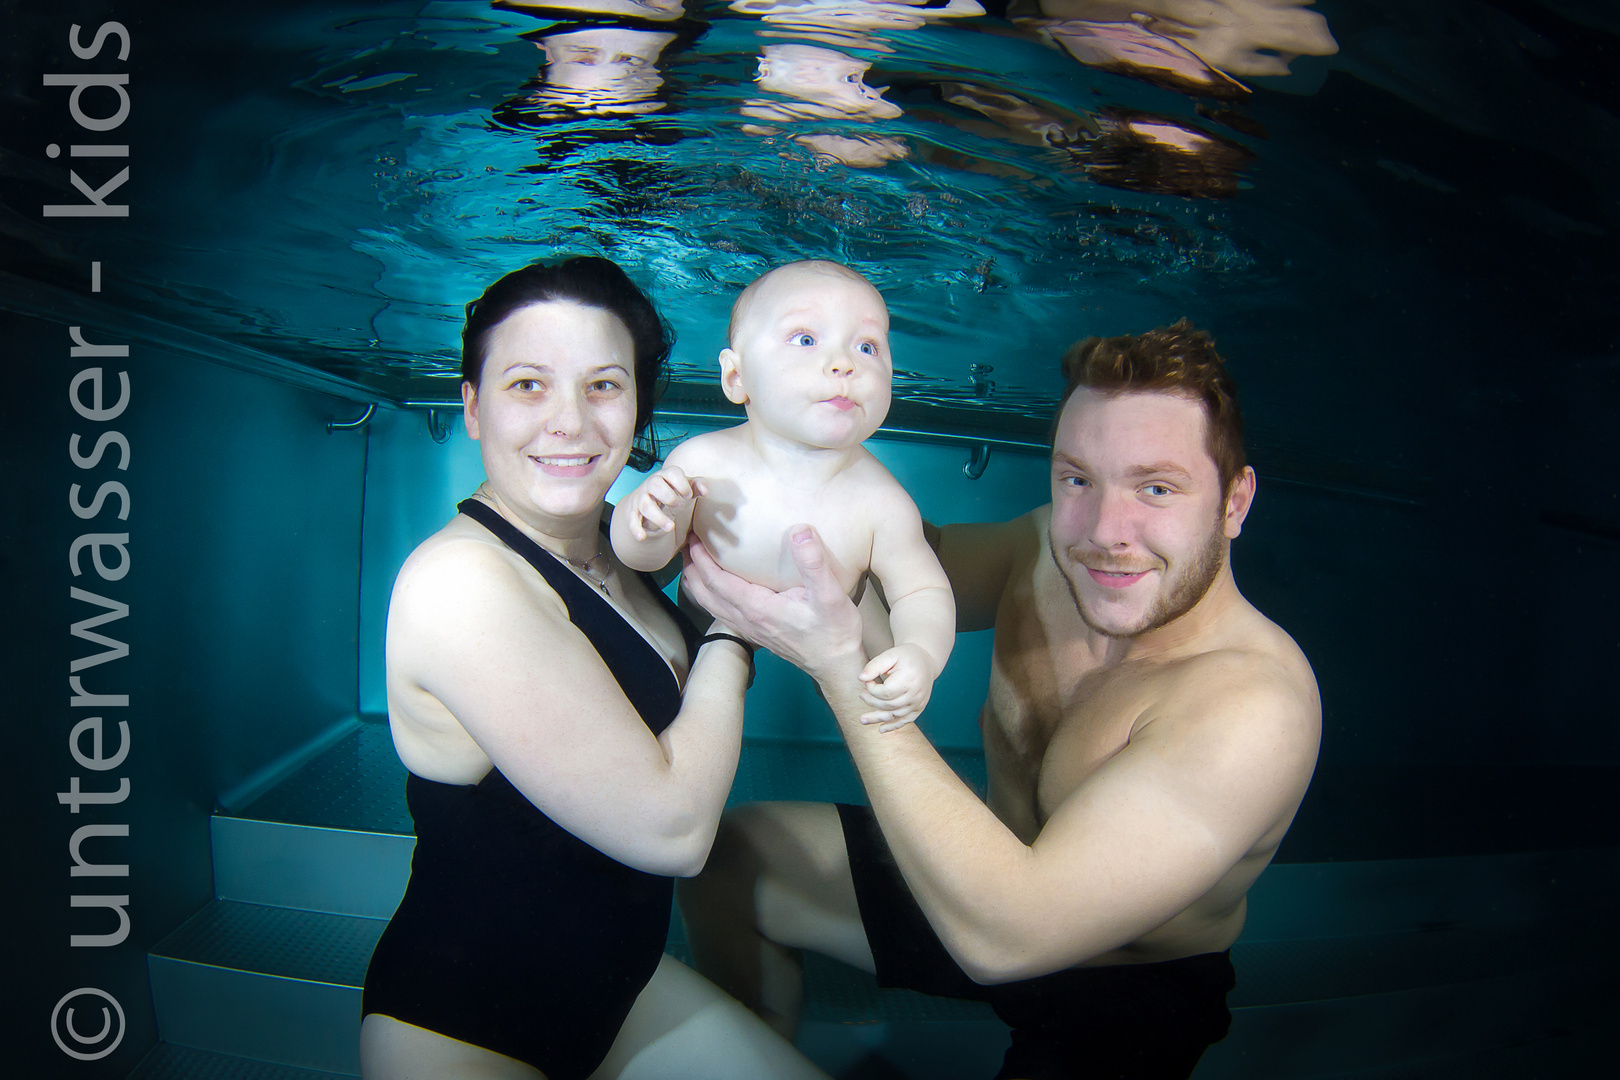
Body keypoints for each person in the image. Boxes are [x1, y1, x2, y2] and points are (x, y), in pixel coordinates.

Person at [678, 319, 1321, 1079]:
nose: (1106, 533)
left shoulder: (1255, 707)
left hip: (1117, 981)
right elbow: (900, 559)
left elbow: (1012, 938)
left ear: (1234, 502)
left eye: (1156, 488)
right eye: (1078, 478)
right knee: (730, 862)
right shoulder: (1051, 546)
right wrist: (796, 465)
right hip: (981, 876)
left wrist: (838, 666)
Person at [359, 256, 828, 1080]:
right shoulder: (459, 582)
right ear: (472, 406)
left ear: (639, 402)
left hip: (622, 993)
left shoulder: (621, 540)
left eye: (604, 386)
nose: (570, 424)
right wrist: (731, 631)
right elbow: (672, 830)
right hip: (466, 1028)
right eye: (528, 385)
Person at [610, 260, 954, 729]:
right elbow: (641, 561)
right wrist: (645, 521)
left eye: (868, 345)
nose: (843, 363)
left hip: (841, 610)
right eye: (806, 339)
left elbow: (923, 590)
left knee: (884, 700)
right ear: (737, 378)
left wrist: (921, 655)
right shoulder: (701, 462)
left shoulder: (883, 504)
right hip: (710, 608)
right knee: (664, 680)